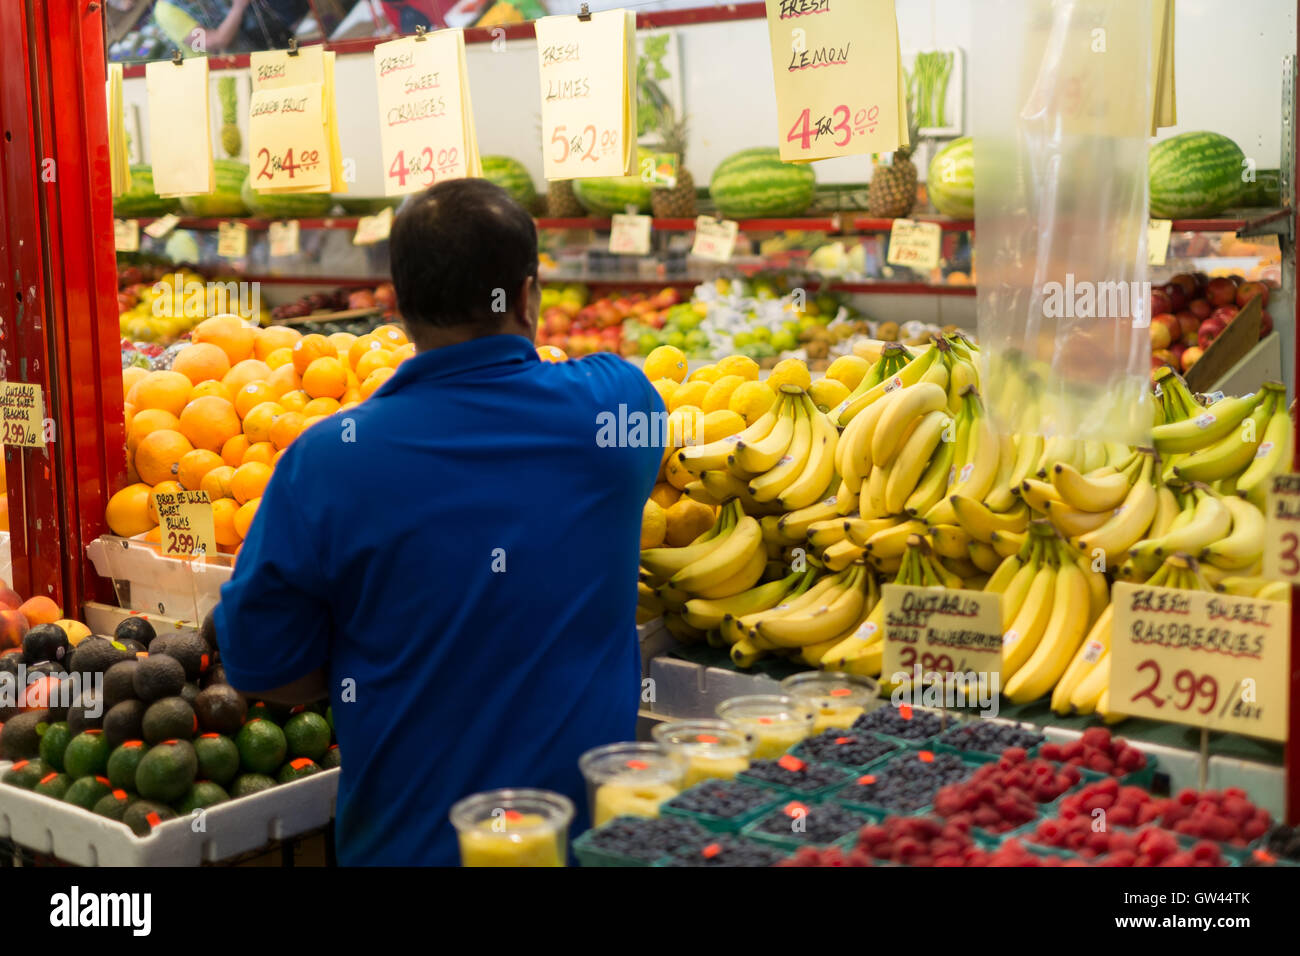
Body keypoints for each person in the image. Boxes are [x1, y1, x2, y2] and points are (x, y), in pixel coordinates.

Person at [213, 177, 664, 865]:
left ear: (396, 304)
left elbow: (263, 668)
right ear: (527, 295)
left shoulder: (324, 461)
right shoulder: (616, 408)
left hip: (403, 849)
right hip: (583, 848)